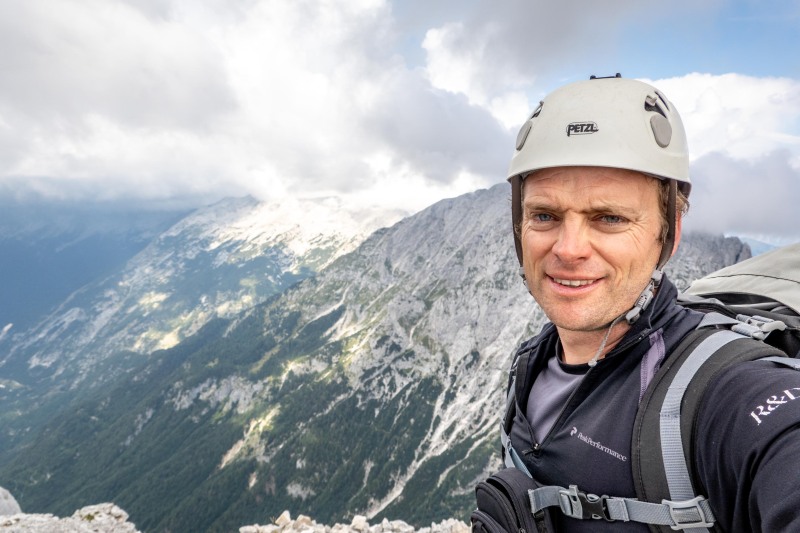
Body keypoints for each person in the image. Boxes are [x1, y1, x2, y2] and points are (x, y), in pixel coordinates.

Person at [500, 75, 800, 532]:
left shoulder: (722, 394)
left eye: (609, 218)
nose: (568, 248)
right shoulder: (531, 365)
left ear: (670, 234)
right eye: (545, 215)